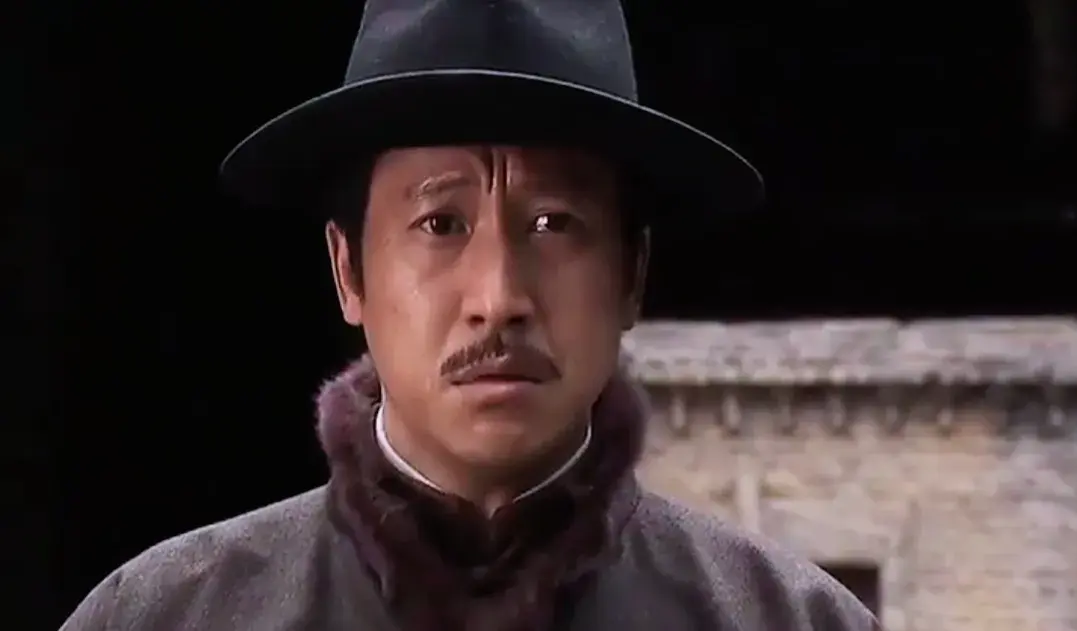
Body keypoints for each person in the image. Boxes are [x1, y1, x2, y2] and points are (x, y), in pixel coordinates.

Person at [60, 1, 878, 629]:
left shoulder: (789, 617)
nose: (498, 297)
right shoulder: (167, 613)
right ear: (349, 271)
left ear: (631, 274)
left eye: (553, 223)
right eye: (440, 223)